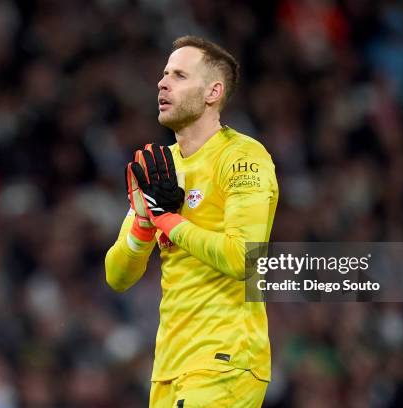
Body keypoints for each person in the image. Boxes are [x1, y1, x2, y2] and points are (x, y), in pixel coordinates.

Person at [105, 35, 279, 407]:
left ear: (213, 92)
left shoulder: (244, 158)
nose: (162, 82)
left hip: (224, 360)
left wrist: (168, 219)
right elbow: (117, 276)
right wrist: (142, 224)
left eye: (180, 75)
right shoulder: (160, 168)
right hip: (169, 367)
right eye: (165, 73)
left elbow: (241, 259)